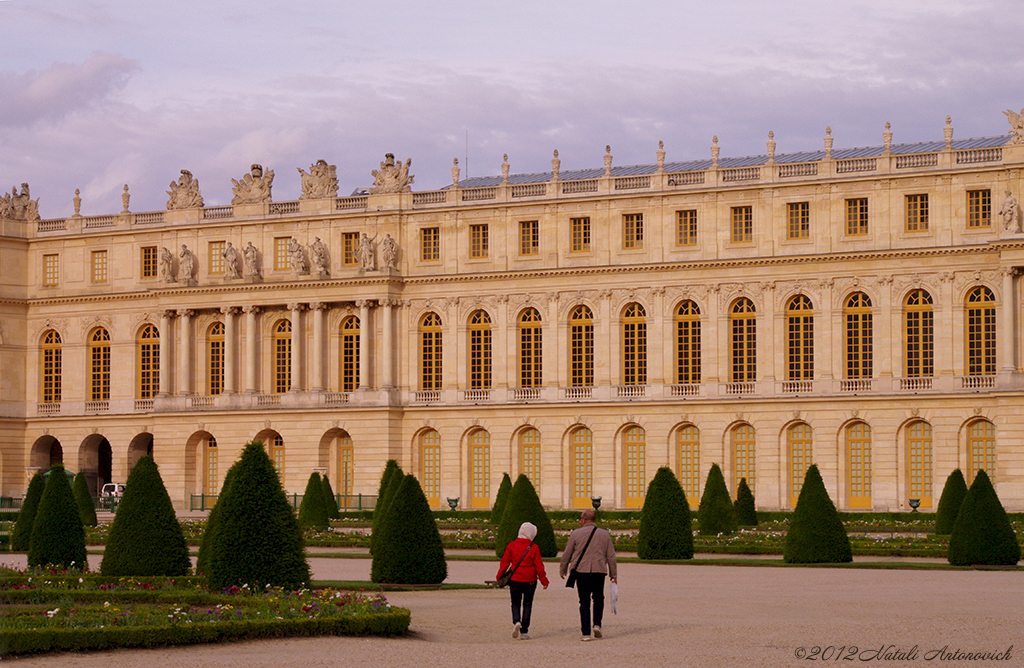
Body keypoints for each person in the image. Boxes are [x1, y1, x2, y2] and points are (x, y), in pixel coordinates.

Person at [559, 509, 617, 641]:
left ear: (584, 520)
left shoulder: (576, 533)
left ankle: (586, 633)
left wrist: (563, 569)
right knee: (598, 599)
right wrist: (614, 575)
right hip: (599, 570)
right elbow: (611, 557)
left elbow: (567, 553)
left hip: (582, 571)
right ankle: (597, 624)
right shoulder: (604, 534)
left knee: (584, 601)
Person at [496, 521, 548, 640]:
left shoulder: (512, 545)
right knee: (527, 604)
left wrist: (499, 575)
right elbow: (539, 566)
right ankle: (524, 631)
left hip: (515, 578)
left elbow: (504, 563)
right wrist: (544, 580)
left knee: (515, 602)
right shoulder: (534, 547)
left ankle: (516, 621)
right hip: (530, 579)